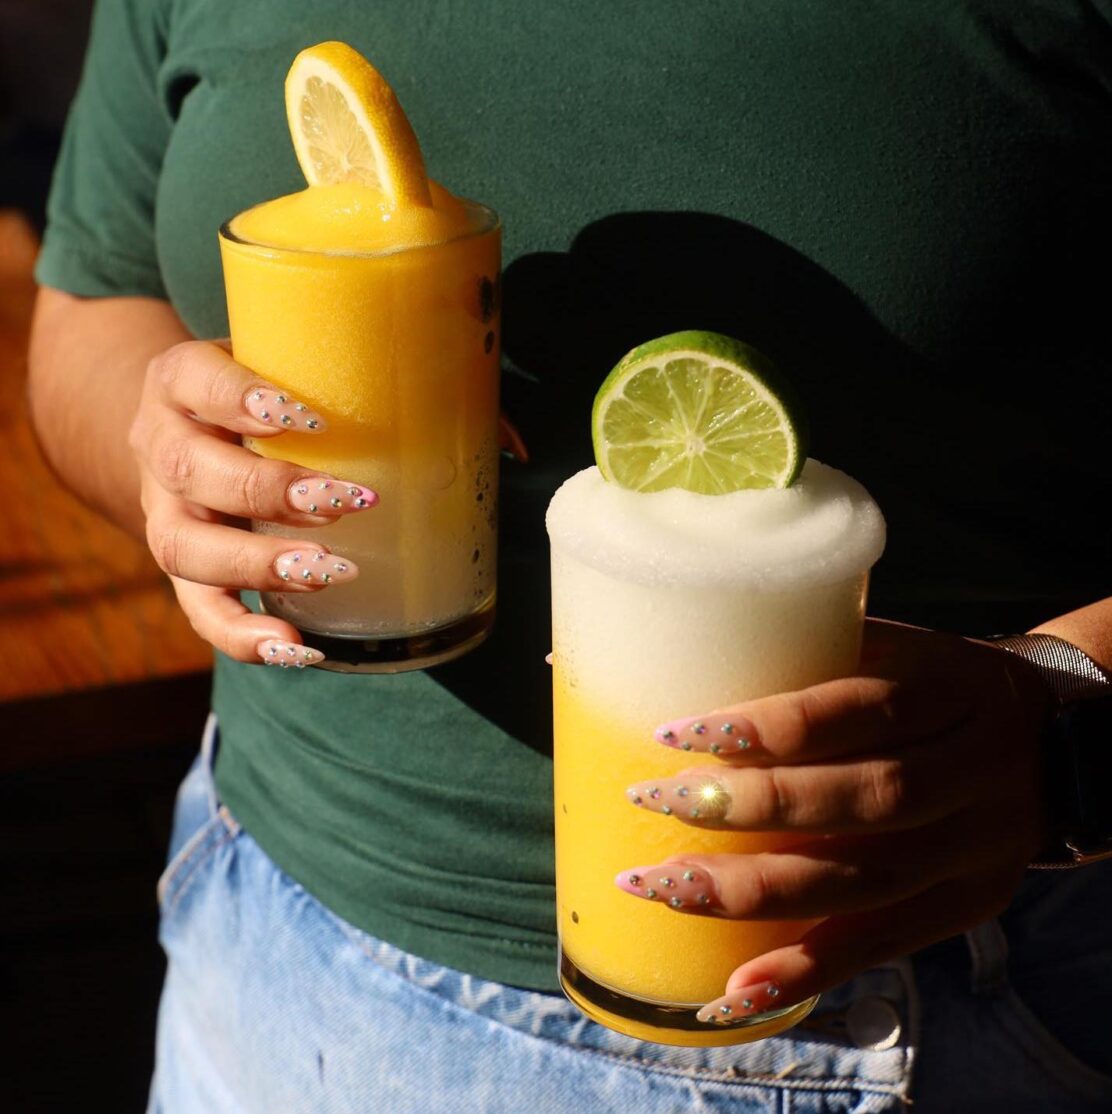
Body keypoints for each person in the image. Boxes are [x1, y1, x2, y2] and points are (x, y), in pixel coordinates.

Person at [28, 1, 1112, 1110]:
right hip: (275, 957)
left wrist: (1069, 725)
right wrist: (174, 458)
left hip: (933, 1009)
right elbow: (94, 300)